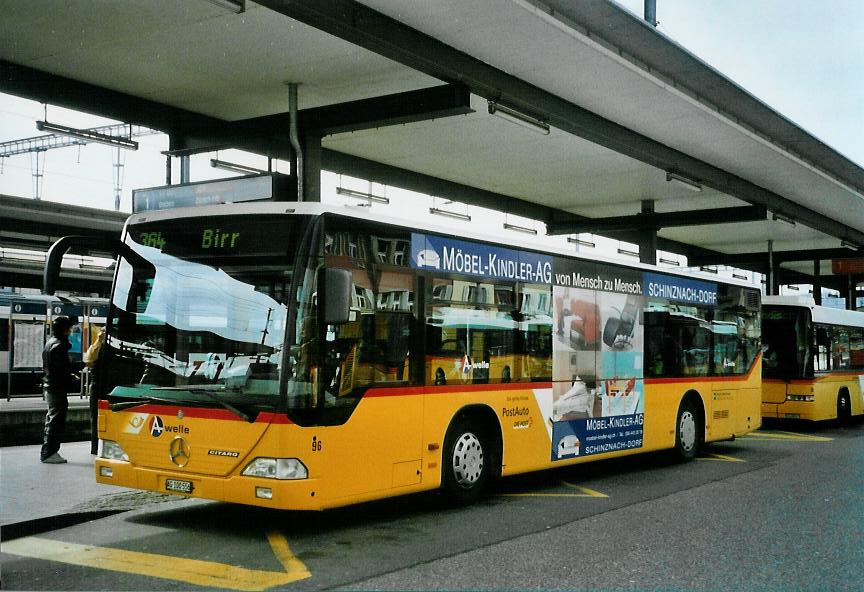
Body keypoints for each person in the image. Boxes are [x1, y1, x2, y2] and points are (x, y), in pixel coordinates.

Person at [40, 316, 80, 464]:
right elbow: (63, 368)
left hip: (50, 386)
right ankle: (50, 453)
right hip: (57, 388)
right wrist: (82, 365)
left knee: (51, 419)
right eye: (69, 328)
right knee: (56, 420)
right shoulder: (60, 345)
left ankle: (47, 451)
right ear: (65, 329)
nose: (71, 331)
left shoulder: (49, 343)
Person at [83, 327, 106, 455]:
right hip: (97, 387)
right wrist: (99, 341)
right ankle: (95, 447)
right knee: (95, 418)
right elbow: (89, 359)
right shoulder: (97, 346)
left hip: (107, 387)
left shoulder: (115, 347)